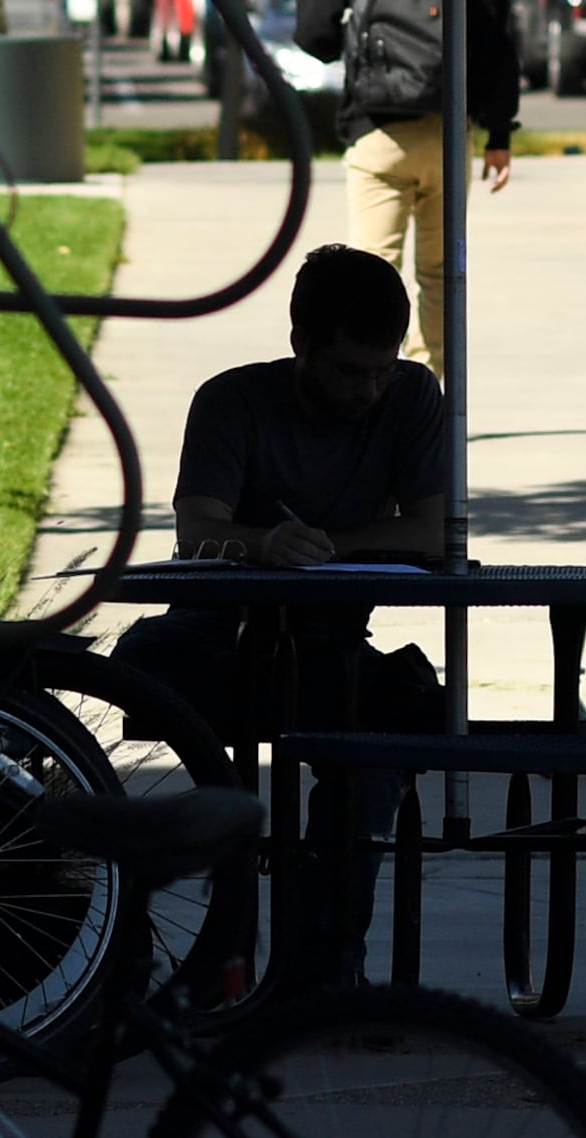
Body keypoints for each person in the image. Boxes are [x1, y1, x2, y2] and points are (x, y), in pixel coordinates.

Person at [116, 245, 449, 995]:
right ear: (300, 345)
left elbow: (431, 533)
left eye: (381, 368)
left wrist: (319, 552)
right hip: (219, 638)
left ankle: (324, 969)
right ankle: (216, 957)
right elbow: (196, 529)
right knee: (177, 715)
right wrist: (263, 545)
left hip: (330, 643)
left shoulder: (412, 396)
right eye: (347, 370)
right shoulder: (232, 400)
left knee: (371, 757)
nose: (368, 389)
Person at [297, 0, 519, 372]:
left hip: (378, 133)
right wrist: (498, 134)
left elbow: (311, 32)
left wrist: (357, 53)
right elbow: (497, 49)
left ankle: (368, 384)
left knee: (371, 270)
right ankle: (431, 392)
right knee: (443, 275)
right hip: (449, 133)